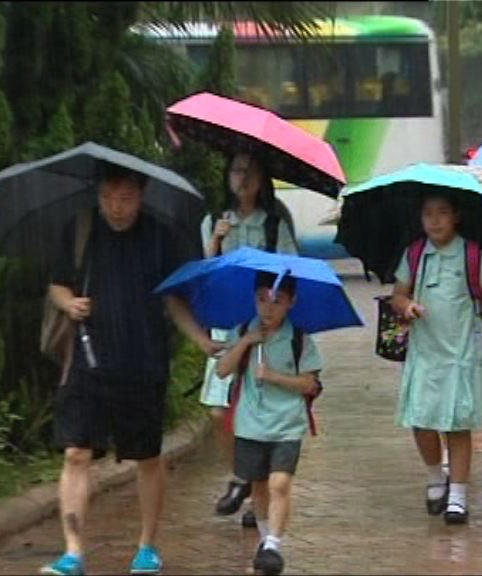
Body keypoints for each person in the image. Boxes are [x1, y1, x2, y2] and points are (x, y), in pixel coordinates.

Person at [41, 165, 218, 576]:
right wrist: (68, 303)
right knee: (76, 452)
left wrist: (203, 342)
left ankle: (147, 547)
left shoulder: (159, 236)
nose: (115, 208)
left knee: (147, 457)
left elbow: (174, 301)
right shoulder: (81, 228)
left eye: (124, 199)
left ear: (141, 196)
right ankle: (72, 552)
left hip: (143, 362)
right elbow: (57, 282)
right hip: (88, 360)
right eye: (107, 198)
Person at [390, 192, 482, 524]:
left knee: (457, 424)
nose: (435, 220)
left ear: (456, 217)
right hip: (424, 353)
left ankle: (458, 496)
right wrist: (406, 305)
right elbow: (398, 293)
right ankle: (435, 477)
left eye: (442, 213)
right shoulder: (414, 255)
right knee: (421, 421)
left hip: (460, 355)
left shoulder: (472, 255)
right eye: (428, 213)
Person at [199, 152, 297, 528]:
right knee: (218, 409)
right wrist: (216, 244)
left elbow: (291, 269)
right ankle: (241, 475)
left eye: (253, 171)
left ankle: (255, 498)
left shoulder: (274, 222)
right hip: (226, 323)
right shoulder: (214, 221)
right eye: (238, 169)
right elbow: (204, 276)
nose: (245, 177)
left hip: (262, 323)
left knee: (254, 411)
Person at [215, 272, 323, 576]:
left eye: (277, 301)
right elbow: (222, 370)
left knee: (280, 483)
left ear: (291, 303)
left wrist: (274, 376)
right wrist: (247, 341)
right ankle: (265, 540)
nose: (268, 308)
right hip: (250, 423)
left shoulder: (299, 339)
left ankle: (274, 542)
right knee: (260, 486)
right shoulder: (241, 331)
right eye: (262, 299)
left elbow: (309, 383)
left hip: (287, 423)